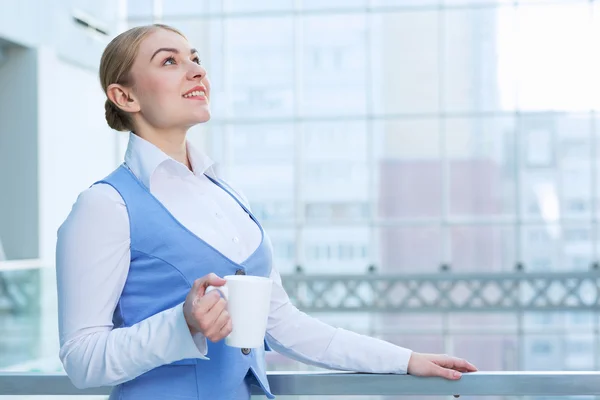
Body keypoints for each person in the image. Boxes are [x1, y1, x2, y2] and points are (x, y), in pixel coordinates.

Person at [55, 24, 477, 400]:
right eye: (169, 61)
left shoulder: (227, 195)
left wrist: (405, 360)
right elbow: (81, 359)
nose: (197, 70)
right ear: (124, 96)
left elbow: (284, 324)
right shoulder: (105, 207)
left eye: (195, 59)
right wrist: (181, 324)